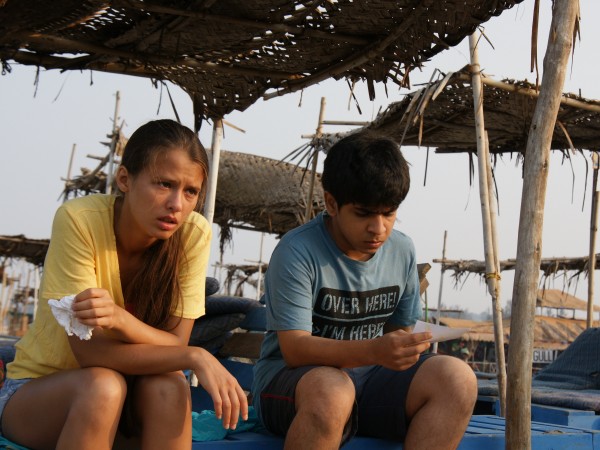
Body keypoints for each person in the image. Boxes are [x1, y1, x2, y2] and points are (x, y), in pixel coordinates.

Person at [0, 119, 248, 449]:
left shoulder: (192, 234)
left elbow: (176, 342)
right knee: (103, 386)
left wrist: (121, 320)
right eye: (164, 184)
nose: (177, 205)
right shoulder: (79, 221)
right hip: (43, 394)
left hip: (132, 401)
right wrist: (191, 356)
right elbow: (90, 353)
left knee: (170, 386)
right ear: (124, 179)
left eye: (190, 191)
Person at [251, 132, 477, 449]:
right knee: (333, 393)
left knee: (458, 379)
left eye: (389, 213)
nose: (378, 228)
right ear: (331, 203)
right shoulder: (298, 251)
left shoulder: (402, 250)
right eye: (364, 213)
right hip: (293, 383)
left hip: (368, 383)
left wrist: (405, 347)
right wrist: (374, 350)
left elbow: (399, 331)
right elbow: (295, 349)